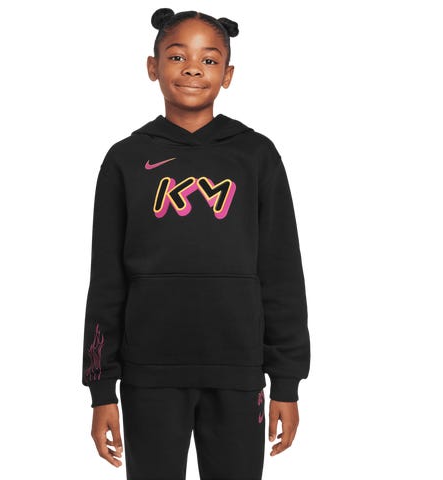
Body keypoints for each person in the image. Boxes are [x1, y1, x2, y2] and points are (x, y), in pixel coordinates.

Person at [81, 7, 310, 480]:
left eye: (208, 60)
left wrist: (286, 382)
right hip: (149, 374)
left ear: (228, 75)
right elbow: (106, 279)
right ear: (152, 67)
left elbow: (282, 271)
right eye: (177, 56)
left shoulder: (257, 156)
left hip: (238, 371)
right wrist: (101, 389)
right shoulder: (125, 159)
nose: (192, 69)